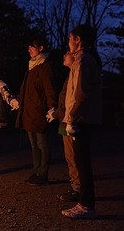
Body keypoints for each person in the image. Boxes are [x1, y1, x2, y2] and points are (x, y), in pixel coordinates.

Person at [60, 24, 102, 219]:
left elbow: (81, 94)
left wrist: (72, 119)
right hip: (81, 119)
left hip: (81, 120)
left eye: (70, 38)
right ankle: (84, 203)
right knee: (81, 161)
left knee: (82, 163)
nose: (68, 42)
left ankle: (86, 205)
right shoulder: (82, 60)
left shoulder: (83, 61)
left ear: (78, 39)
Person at [16, 35, 57, 185]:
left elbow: (49, 89)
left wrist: (51, 108)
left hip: (39, 112)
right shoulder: (31, 67)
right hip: (29, 112)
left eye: (32, 46)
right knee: (34, 145)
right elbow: (25, 89)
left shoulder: (45, 67)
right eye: (28, 47)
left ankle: (43, 174)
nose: (29, 49)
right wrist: (18, 101)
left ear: (40, 48)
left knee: (42, 144)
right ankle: (36, 171)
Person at [46, 51, 80, 201]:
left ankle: (78, 189)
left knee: (73, 157)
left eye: (68, 53)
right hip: (64, 120)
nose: (64, 54)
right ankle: (76, 186)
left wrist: (56, 114)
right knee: (69, 156)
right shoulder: (70, 74)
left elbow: (71, 101)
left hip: (69, 121)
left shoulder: (75, 74)